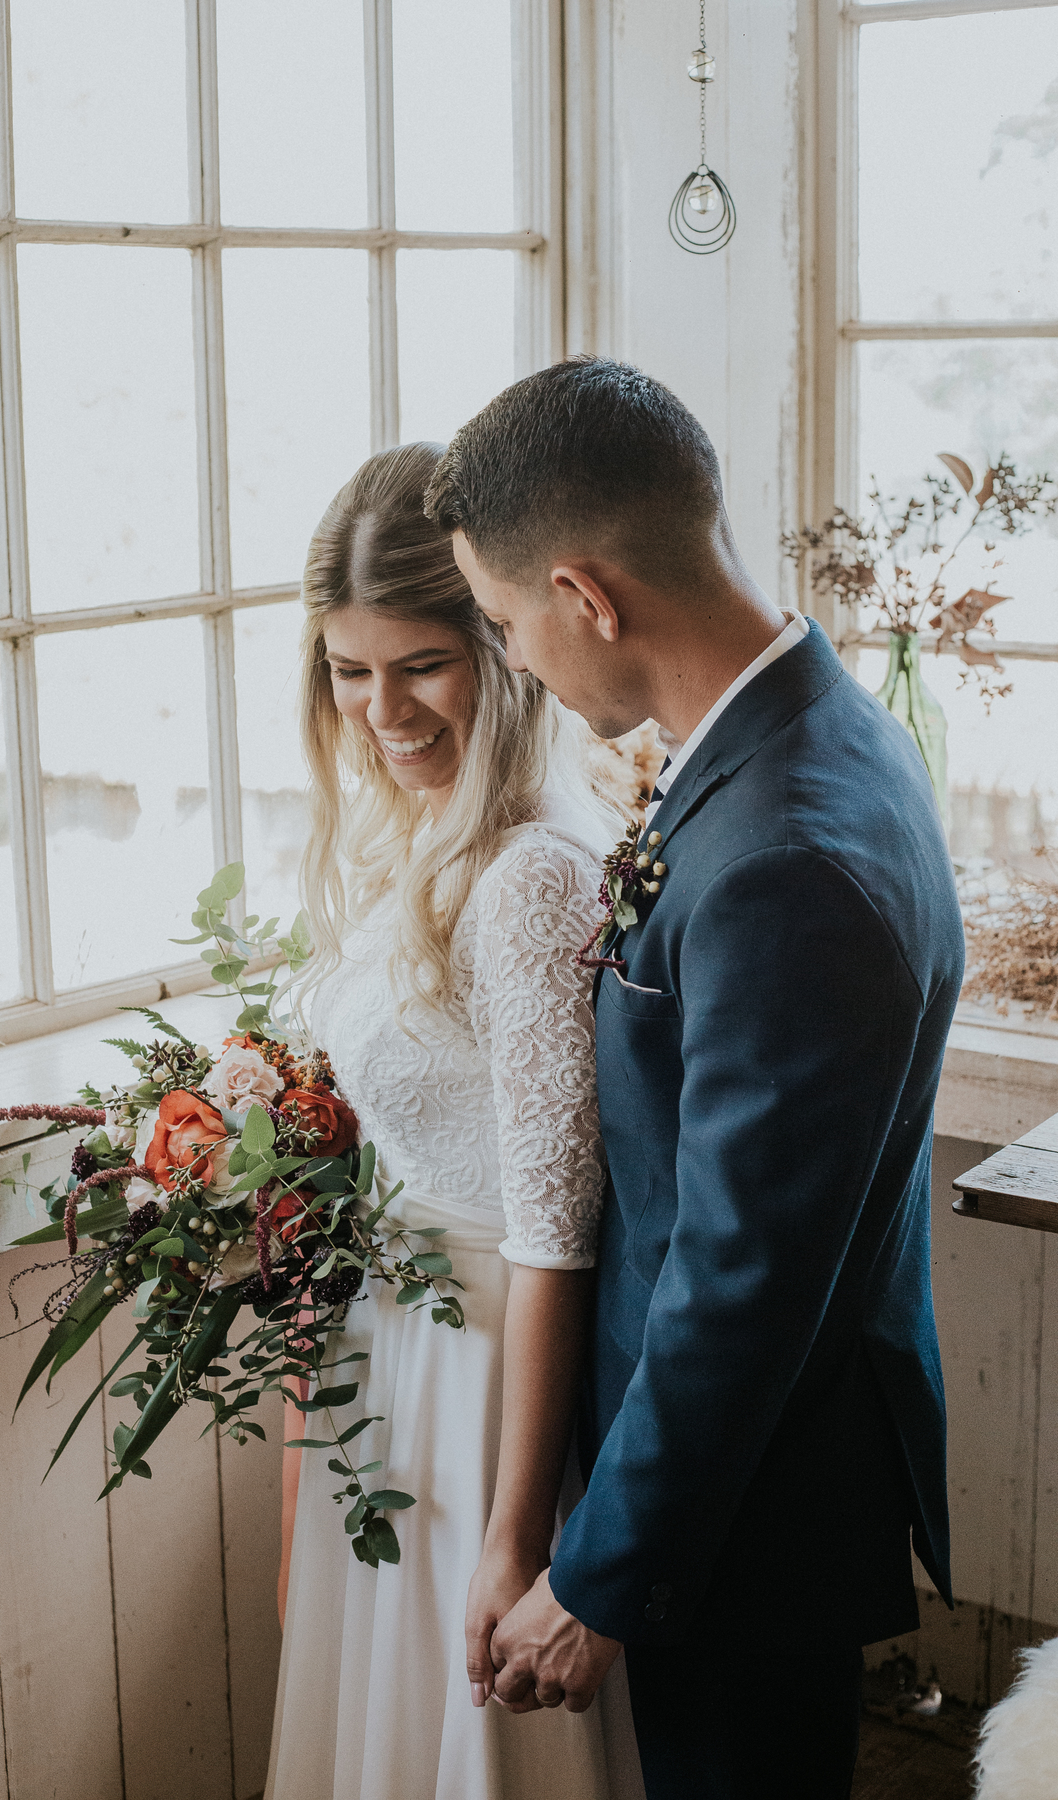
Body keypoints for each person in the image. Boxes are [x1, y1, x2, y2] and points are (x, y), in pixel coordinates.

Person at [425, 357, 966, 1800]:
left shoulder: (786, 856)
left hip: (744, 1511)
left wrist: (606, 1570)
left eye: (505, 623)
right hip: (747, 1472)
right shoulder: (819, 730)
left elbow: (743, 1274)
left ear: (586, 597)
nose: (515, 662)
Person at [264, 442, 645, 1799]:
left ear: (503, 644)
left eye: (420, 664)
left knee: (479, 1729)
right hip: (398, 1346)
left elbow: (556, 1232)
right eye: (348, 671)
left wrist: (516, 1532)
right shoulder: (424, 829)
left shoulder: (531, 875)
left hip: (488, 1372)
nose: (382, 710)